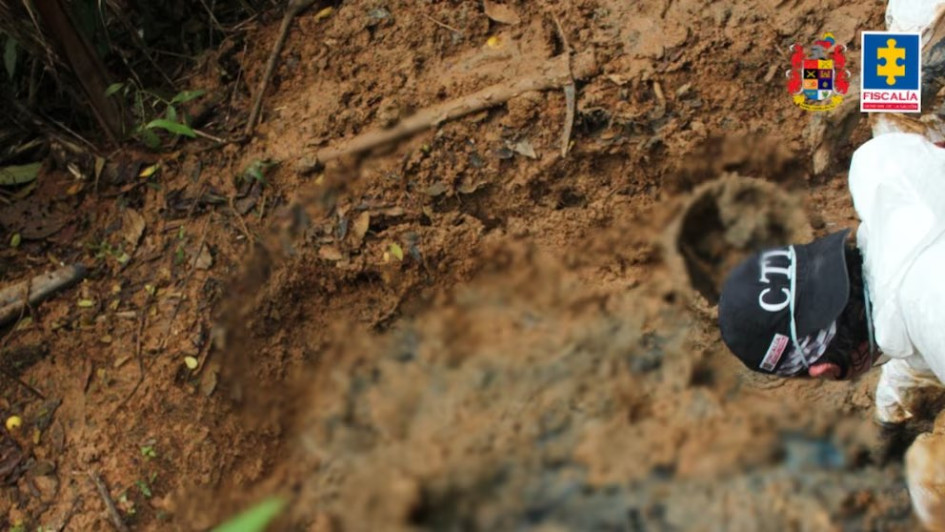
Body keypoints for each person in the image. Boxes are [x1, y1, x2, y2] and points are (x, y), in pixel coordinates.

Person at [718, 132, 945, 528]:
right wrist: (891, 417)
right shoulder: (882, 163)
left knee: (930, 482)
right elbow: (912, 325)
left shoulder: (932, 314)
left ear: (825, 370)